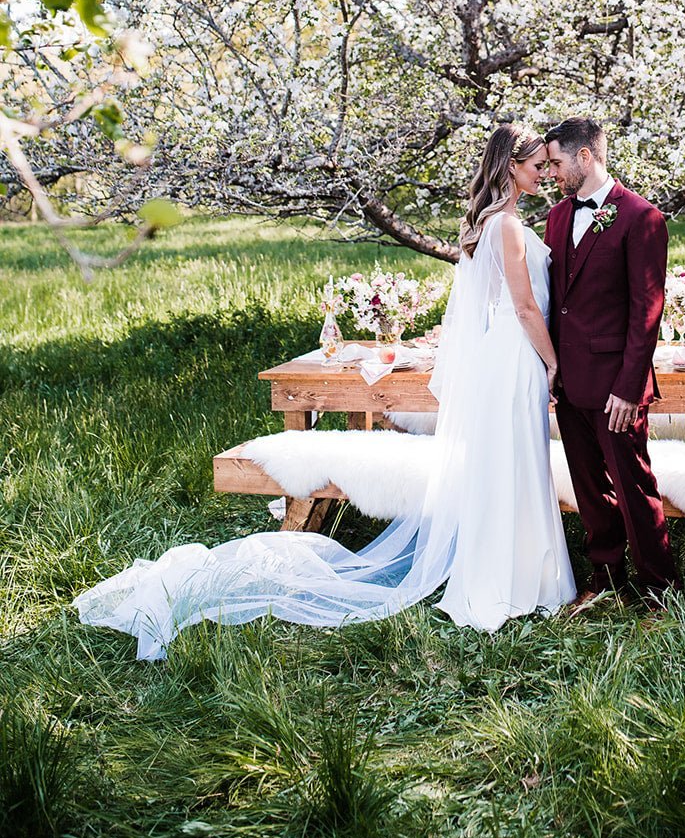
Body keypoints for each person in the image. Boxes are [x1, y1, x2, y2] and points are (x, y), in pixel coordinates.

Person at [75, 125, 575, 659]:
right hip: (517, 356)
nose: (544, 173)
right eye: (536, 164)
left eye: (548, 165)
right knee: (514, 463)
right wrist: (553, 363)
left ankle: (505, 573)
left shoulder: (487, 224)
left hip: (501, 357)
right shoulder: (509, 227)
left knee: (505, 465)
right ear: (510, 166)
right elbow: (524, 308)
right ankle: (514, 582)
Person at [544, 117, 678, 608]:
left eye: (557, 162)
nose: (552, 172)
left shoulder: (642, 218)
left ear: (585, 157)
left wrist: (628, 386)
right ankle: (605, 579)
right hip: (569, 381)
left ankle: (660, 590)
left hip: (617, 387)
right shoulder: (557, 217)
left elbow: (647, 312)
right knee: (588, 490)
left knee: (634, 485)